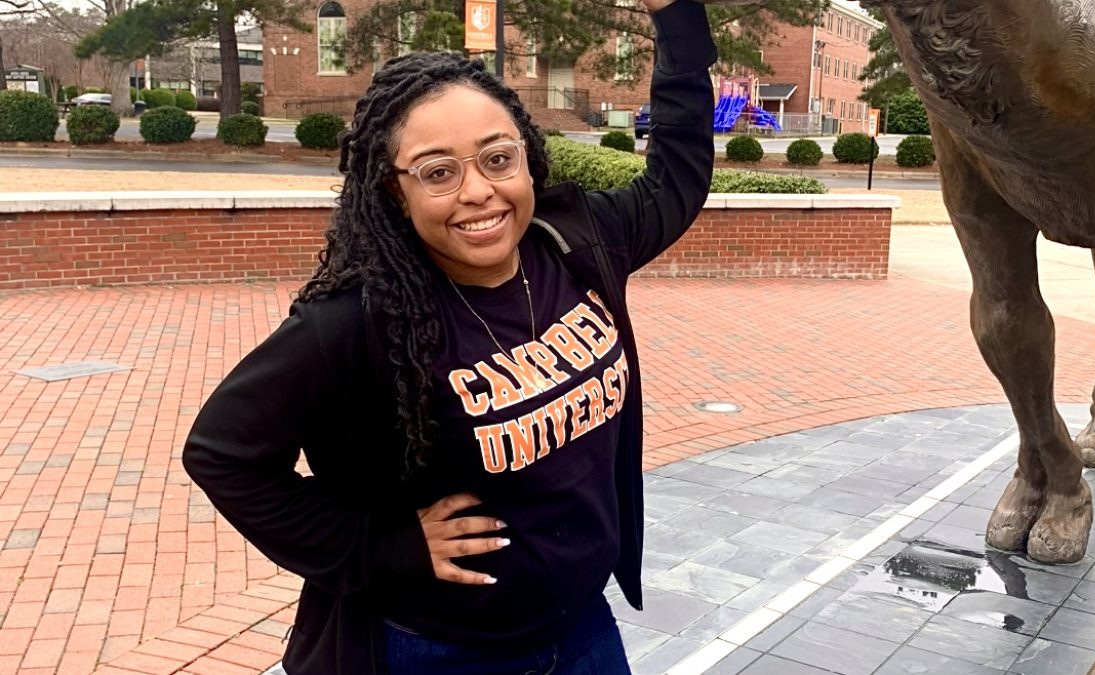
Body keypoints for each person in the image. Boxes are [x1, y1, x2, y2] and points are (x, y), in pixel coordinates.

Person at [181, 0, 716, 672]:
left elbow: (679, 174)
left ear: (527, 156)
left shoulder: (575, 243)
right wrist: (385, 545)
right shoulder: (358, 319)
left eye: (498, 159)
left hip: (582, 628)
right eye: (438, 172)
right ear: (393, 189)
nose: (479, 192)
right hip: (440, 650)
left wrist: (677, 19)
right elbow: (222, 455)